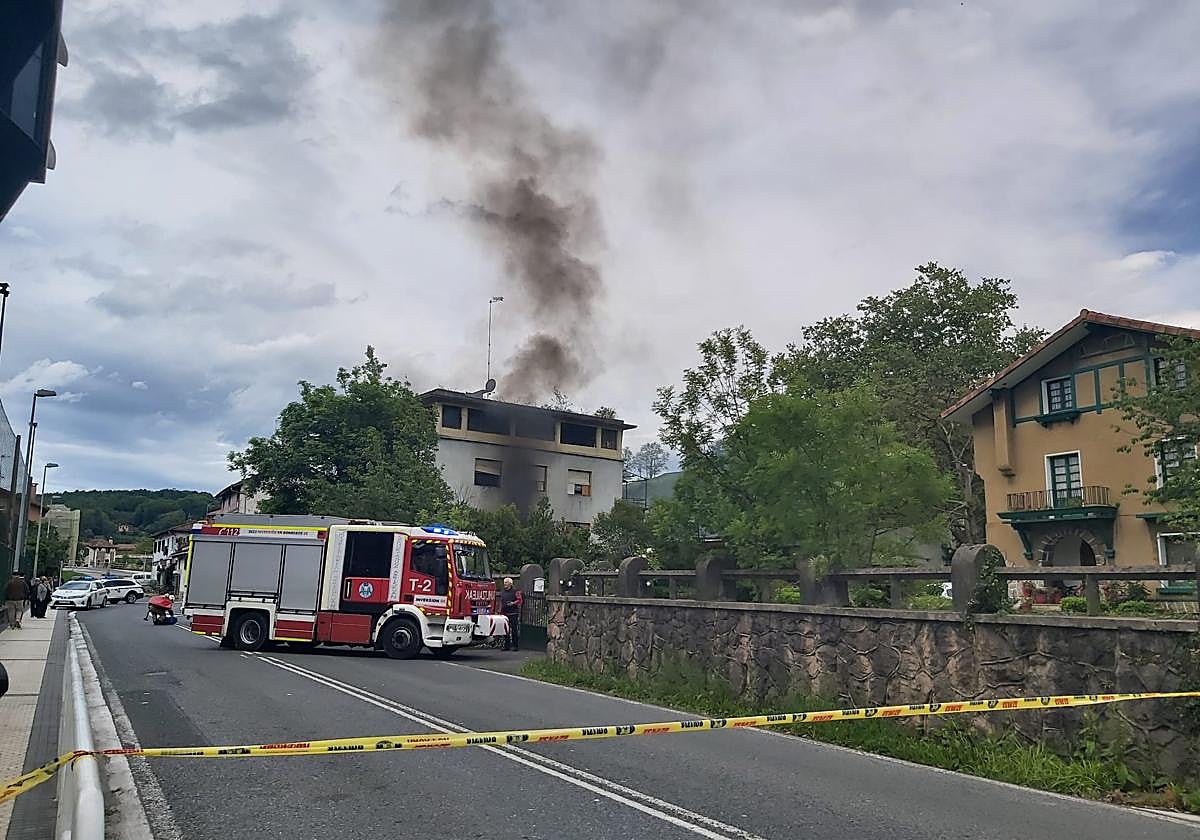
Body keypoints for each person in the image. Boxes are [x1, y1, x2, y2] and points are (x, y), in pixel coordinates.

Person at [498, 576, 522, 651]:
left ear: (510, 584)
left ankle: (515, 646)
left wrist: (513, 603)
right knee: (505, 630)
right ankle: (506, 646)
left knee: (514, 630)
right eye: (504, 582)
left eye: (506, 582)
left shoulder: (516, 591)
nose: (504, 584)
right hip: (505, 613)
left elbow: (520, 600)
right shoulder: (502, 592)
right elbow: (501, 602)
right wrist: (499, 610)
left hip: (513, 613)